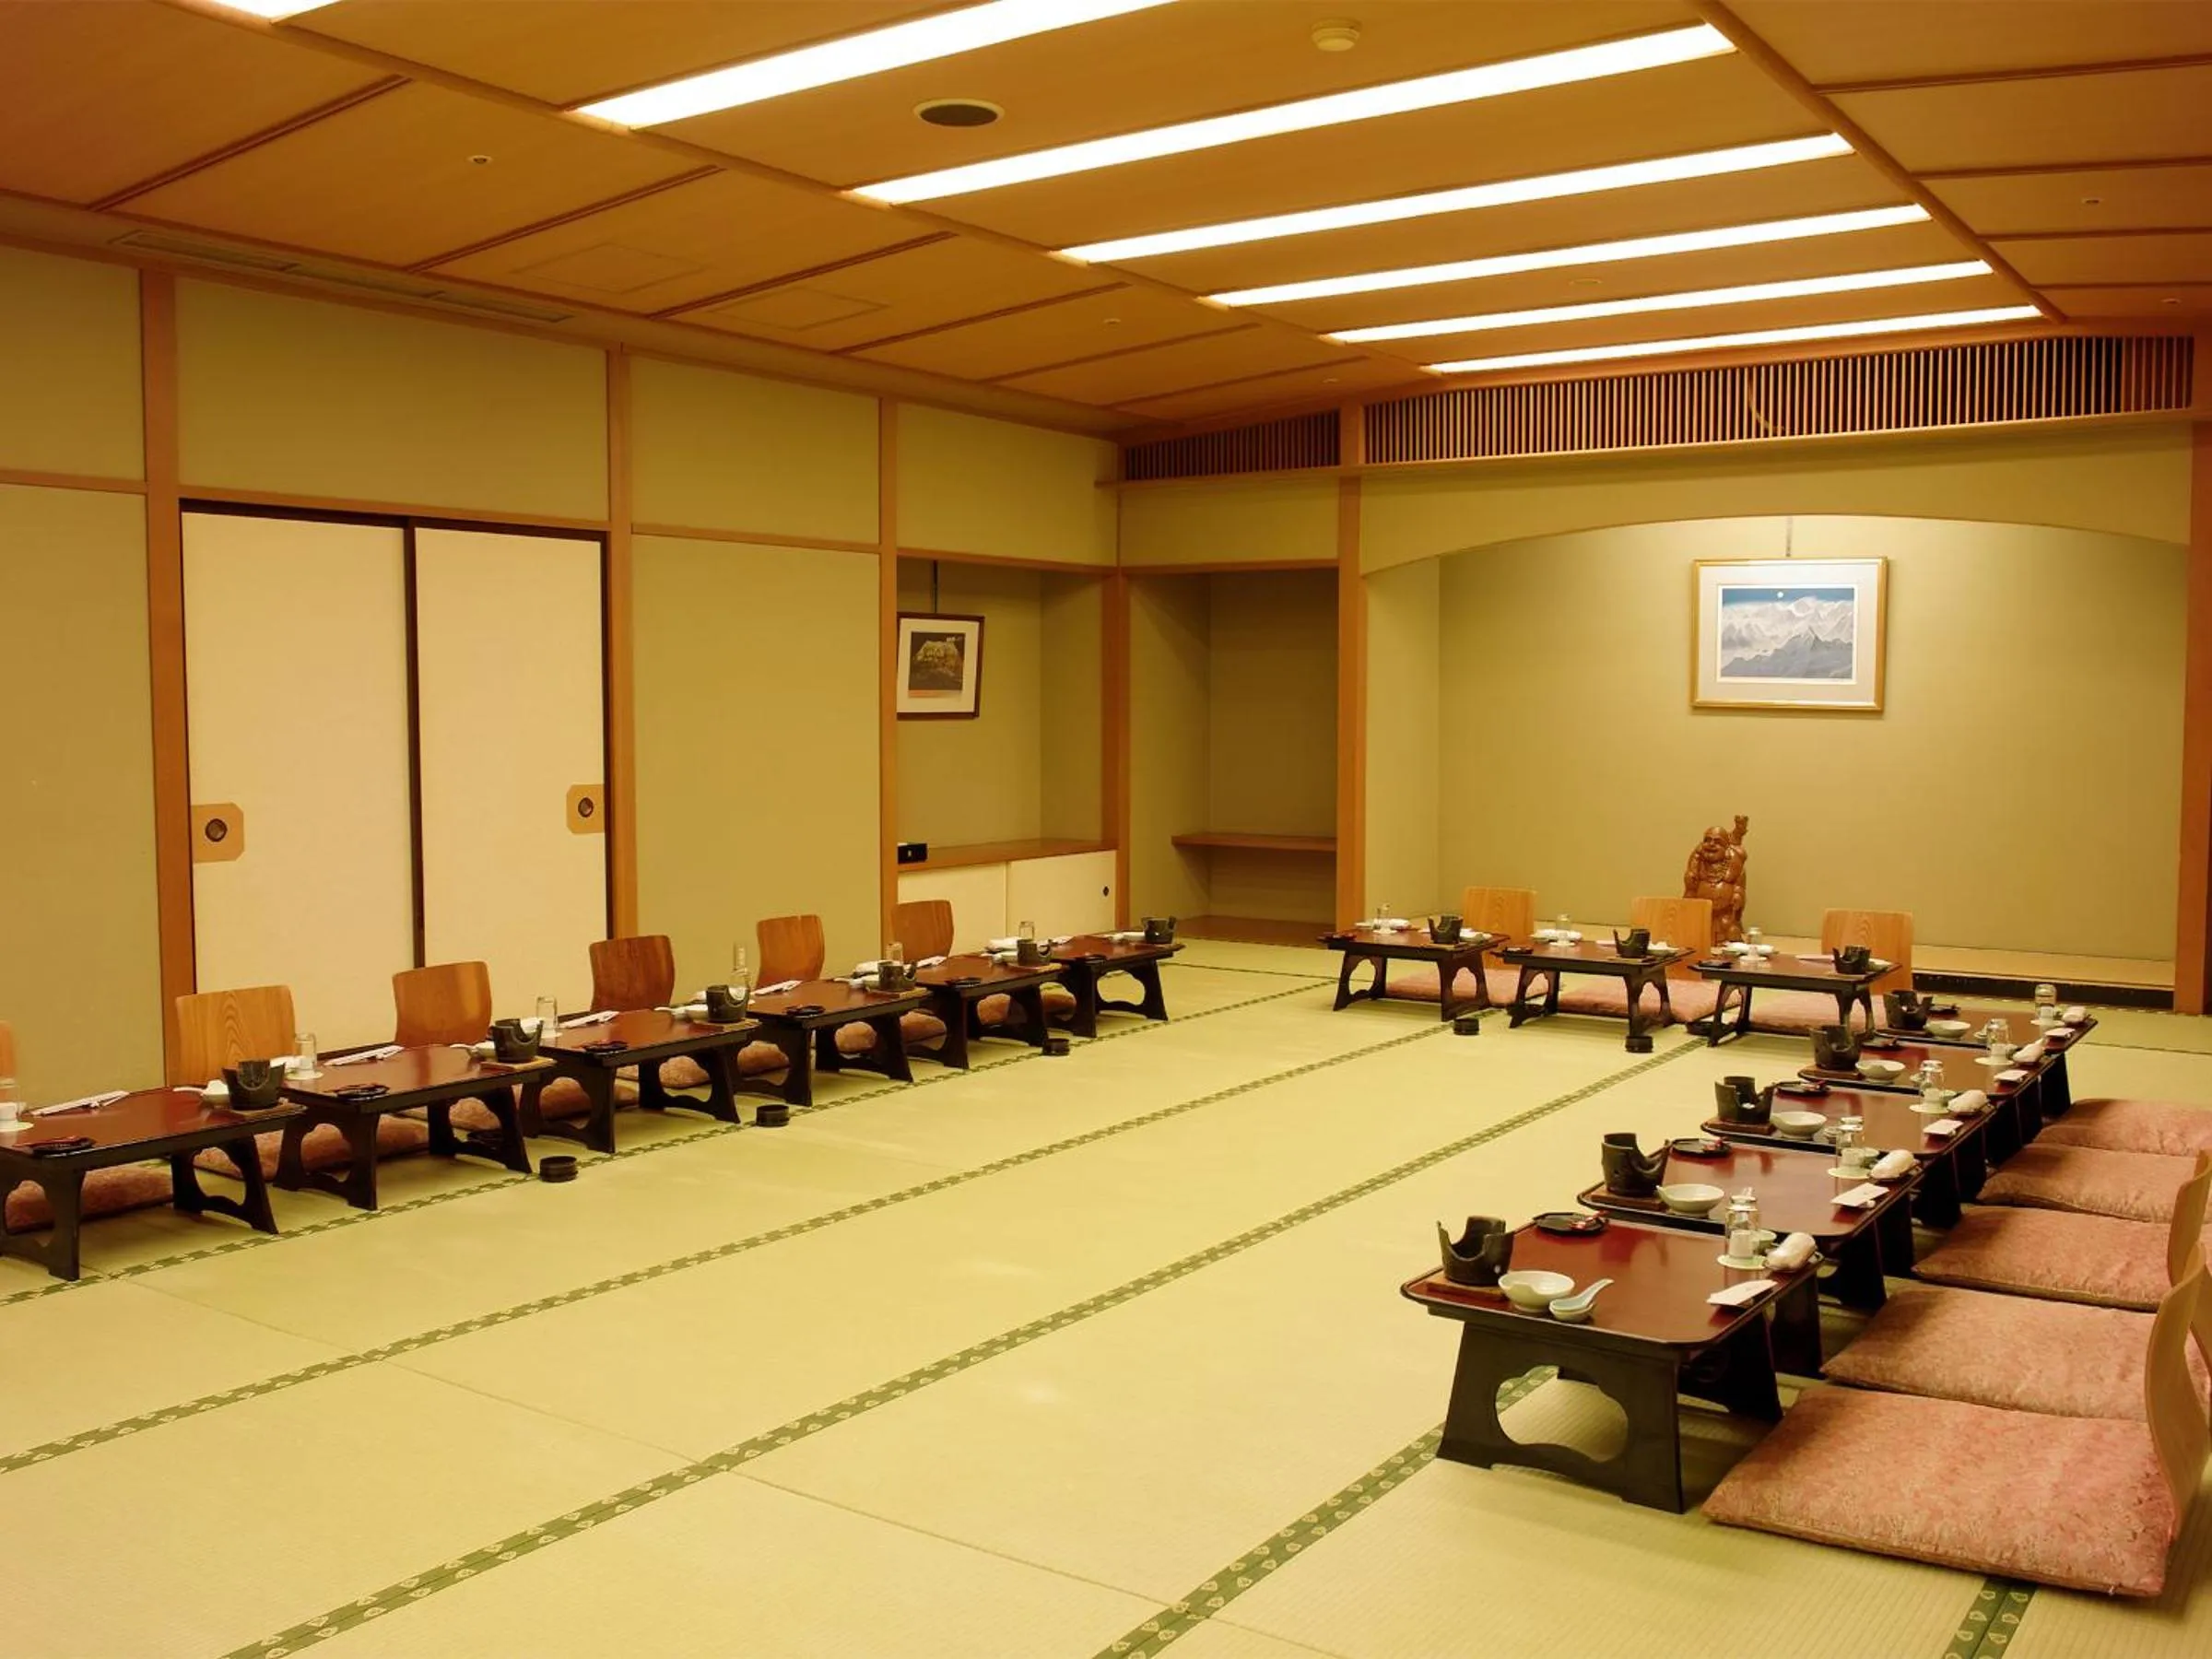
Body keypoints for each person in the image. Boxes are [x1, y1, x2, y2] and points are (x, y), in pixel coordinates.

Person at [1684, 815, 1749, 943]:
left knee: (1730, 935)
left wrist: (1738, 896)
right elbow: (1690, 890)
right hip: (1702, 916)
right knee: (1698, 938)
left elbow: (1739, 886)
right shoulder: (1698, 862)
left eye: (1717, 841)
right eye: (1707, 840)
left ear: (1725, 846)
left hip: (1726, 915)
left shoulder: (1734, 863)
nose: (1711, 844)